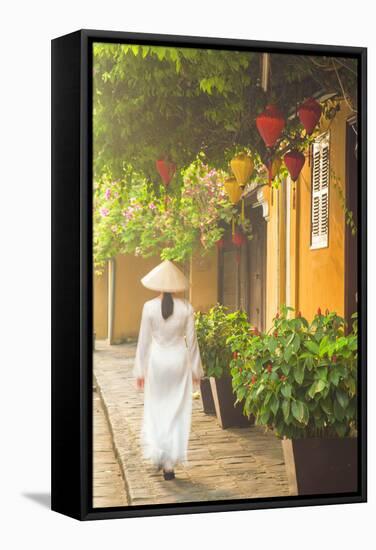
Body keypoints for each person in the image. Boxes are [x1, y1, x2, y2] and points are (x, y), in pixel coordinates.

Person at [132, 259, 204, 481]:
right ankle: (170, 465)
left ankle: (159, 452)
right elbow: (192, 342)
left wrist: (140, 370)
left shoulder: (148, 307)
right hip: (178, 362)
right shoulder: (186, 308)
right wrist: (196, 370)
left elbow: (143, 342)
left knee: (157, 409)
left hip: (157, 362)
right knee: (177, 411)